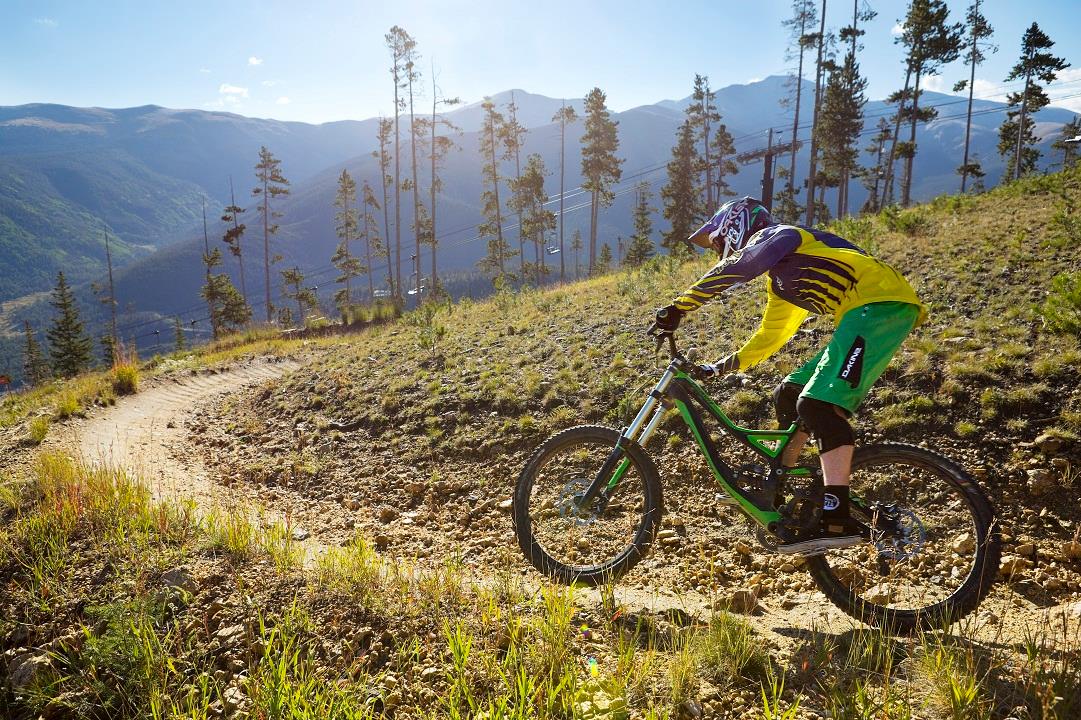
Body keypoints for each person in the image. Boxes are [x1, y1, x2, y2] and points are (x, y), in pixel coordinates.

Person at [653, 197, 926, 555]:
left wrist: (679, 306)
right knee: (789, 393)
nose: (717, 251)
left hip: (880, 307)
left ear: (735, 226)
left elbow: (743, 264)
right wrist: (718, 367)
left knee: (818, 405)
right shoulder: (783, 280)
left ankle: (836, 514)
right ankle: (780, 489)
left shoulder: (782, 236)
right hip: (859, 316)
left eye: (718, 242)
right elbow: (770, 337)